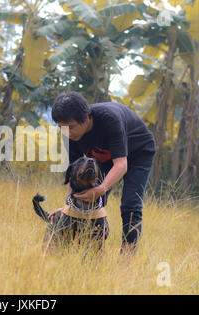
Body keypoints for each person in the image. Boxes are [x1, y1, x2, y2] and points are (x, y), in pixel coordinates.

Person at [50, 92, 156, 254]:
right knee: (93, 201)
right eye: (62, 128)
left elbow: (121, 165)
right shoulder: (69, 135)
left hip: (138, 153)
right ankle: (91, 250)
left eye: (71, 127)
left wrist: (102, 188)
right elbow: (75, 174)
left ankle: (127, 256)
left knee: (130, 205)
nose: (67, 133)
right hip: (104, 156)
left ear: (86, 118)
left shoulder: (109, 119)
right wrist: (68, 206)